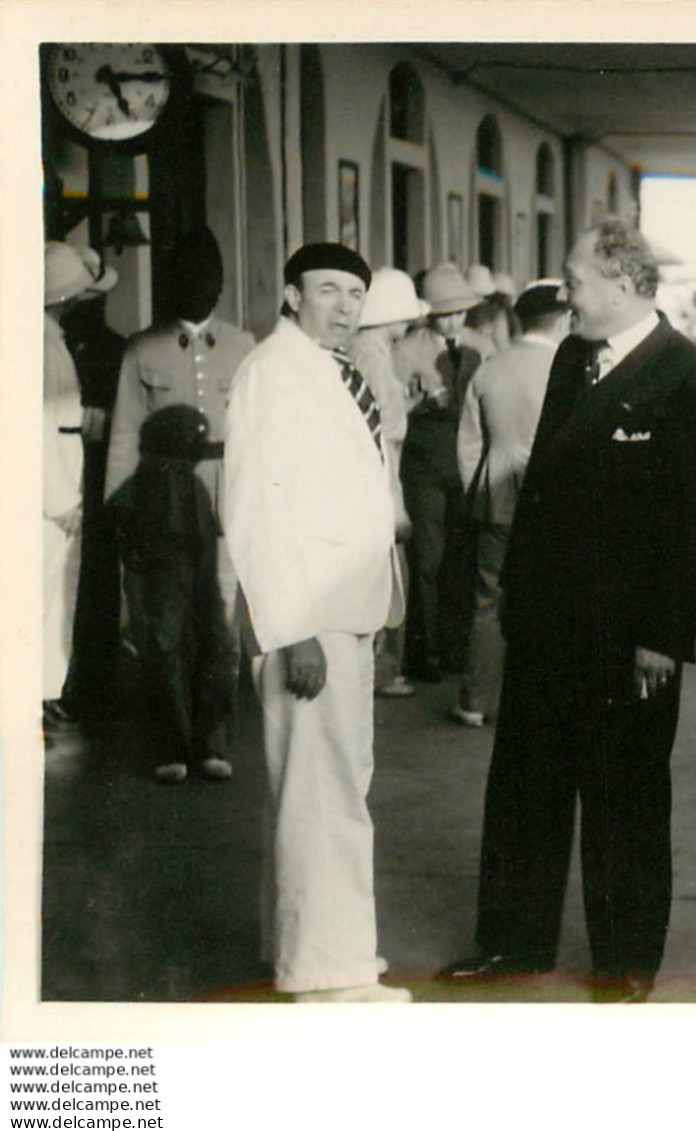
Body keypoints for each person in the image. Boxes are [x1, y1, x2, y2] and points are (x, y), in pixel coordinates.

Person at [439, 222, 696, 1003]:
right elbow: (543, 491)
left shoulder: (688, 376)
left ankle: (626, 959)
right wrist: (516, 598)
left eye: (574, 279)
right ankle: (511, 940)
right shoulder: (573, 355)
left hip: (628, 634)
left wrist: (663, 637)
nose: (563, 294)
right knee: (524, 785)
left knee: (625, 794)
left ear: (624, 284)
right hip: (546, 620)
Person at [223, 242, 409, 1003]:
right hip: (308, 616)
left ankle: (304, 949)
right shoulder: (273, 372)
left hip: (343, 609)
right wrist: (291, 626)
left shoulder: (329, 370)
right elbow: (254, 508)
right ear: (291, 295)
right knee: (323, 794)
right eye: (326, 290)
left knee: (324, 787)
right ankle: (331, 977)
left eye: (352, 294)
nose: (341, 305)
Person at [104, 227, 255, 784]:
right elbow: (123, 432)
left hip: (224, 493)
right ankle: (170, 740)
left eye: (209, 277)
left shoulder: (244, 347)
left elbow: (257, 433)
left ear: (220, 285)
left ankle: (213, 740)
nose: (200, 287)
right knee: (163, 628)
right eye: (188, 278)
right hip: (160, 496)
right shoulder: (142, 349)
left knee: (221, 622)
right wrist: (121, 506)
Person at [451, 278, 570, 725]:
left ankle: (475, 700)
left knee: (488, 599)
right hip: (552, 502)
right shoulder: (570, 369)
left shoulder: (489, 367)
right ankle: (534, 702)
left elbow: (468, 443)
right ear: (561, 319)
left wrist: (477, 488)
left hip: (494, 497)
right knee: (546, 600)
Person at [399, 264, 484, 680]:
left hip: (466, 464)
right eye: (443, 314)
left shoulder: (481, 345)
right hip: (424, 466)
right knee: (428, 559)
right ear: (427, 314)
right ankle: (426, 652)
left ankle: (457, 648)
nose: (452, 322)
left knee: (461, 560)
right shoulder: (406, 349)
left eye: (459, 312)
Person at [349, 267, 427, 699]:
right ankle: (381, 667)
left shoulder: (369, 351)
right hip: (380, 471)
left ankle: (380, 663)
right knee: (390, 572)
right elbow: (382, 428)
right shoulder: (373, 356)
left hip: (381, 467)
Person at [59, 248, 124, 721]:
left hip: (96, 477)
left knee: (97, 580)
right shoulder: (53, 347)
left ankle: (94, 682)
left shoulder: (114, 350)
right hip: (65, 475)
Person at [42, 243, 89, 730]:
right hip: (51, 494)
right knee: (46, 593)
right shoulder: (43, 346)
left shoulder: (49, 341)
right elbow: (38, 429)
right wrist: (59, 501)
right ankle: (35, 694)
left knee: (54, 594)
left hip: (58, 479)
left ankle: (45, 689)